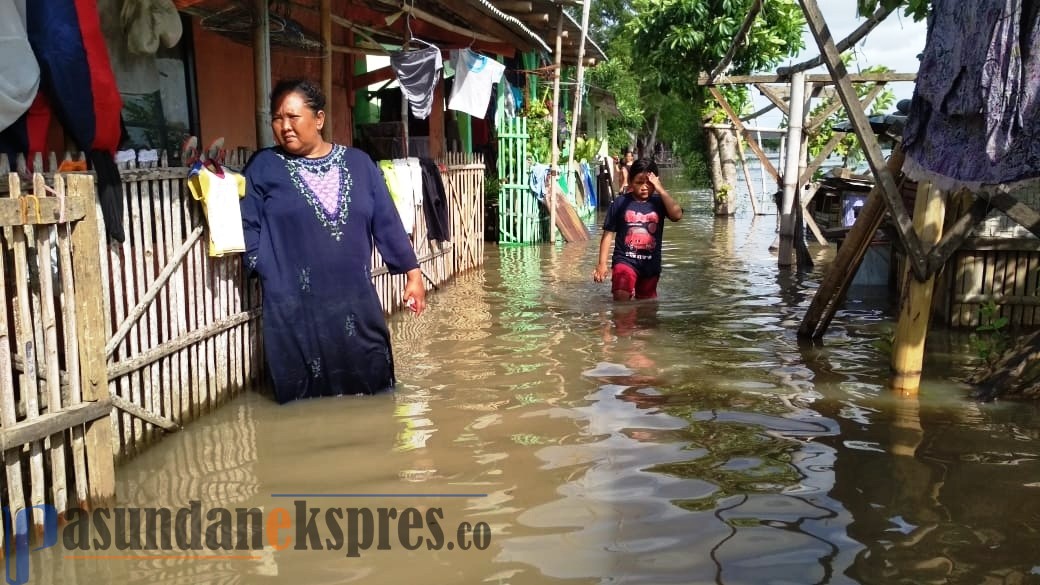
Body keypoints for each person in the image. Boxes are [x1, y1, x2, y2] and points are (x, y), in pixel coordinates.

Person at [241, 79, 426, 404]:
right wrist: (266, 268)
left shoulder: (359, 164)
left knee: (374, 393)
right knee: (302, 401)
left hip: (356, 302)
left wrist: (412, 274)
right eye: (277, 118)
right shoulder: (264, 167)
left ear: (319, 119)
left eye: (293, 117)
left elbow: (386, 220)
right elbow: (247, 225)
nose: (284, 127)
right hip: (295, 308)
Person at [593, 158, 683, 301]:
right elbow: (608, 234)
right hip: (624, 260)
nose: (644, 187)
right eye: (639, 182)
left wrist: (660, 189)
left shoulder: (659, 203)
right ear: (630, 182)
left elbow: (677, 215)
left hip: (650, 264)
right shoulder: (620, 203)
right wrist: (602, 264)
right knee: (621, 298)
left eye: (649, 182)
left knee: (646, 306)